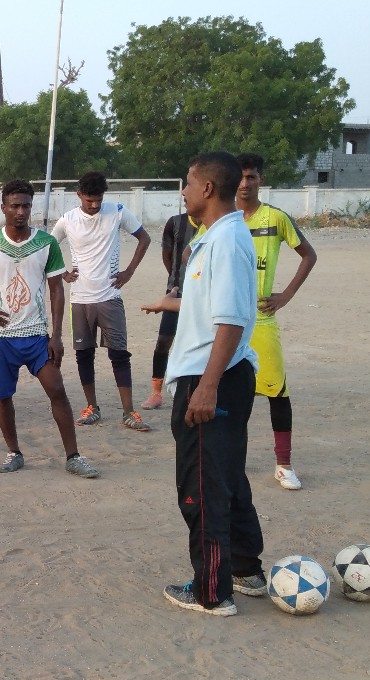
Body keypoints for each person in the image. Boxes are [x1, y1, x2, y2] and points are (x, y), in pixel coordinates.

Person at [140, 151, 264, 616]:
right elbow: (209, 303)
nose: (184, 192)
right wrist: (167, 304)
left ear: (208, 188)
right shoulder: (216, 236)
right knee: (227, 476)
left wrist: (207, 387)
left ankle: (213, 592)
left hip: (212, 377)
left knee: (203, 487)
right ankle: (246, 570)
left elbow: (231, 320)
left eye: (188, 184)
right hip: (216, 374)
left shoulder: (227, 240)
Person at [0, 180, 99, 479]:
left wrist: (56, 336)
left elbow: (57, 291)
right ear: (3, 208)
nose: (21, 211)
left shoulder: (46, 243)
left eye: (26, 205)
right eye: (15, 206)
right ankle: (14, 452)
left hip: (37, 336)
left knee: (57, 390)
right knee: (2, 397)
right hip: (1, 336)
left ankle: (73, 456)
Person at [236, 152, 318, 491]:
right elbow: (190, 255)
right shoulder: (222, 218)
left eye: (251, 177)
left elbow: (308, 254)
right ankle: (231, 461)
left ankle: (284, 464)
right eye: (240, 177)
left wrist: (286, 295)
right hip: (225, 322)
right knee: (229, 394)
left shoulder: (275, 217)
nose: (245, 183)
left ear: (261, 180)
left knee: (277, 392)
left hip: (261, 321)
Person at [51, 172, 152, 432]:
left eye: (98, 200)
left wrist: (129, 272)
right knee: (84, 355)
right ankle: (92, 407)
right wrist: (63, 273)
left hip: (110, 297)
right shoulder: (68, 219)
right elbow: (49, 246)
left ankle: (129, 412)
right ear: (79, 196)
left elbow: (144, 238)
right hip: (80, 299)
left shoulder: (117, 211)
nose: (95, 205)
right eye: (89, 200)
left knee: (119, 354)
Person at [141, 210, 199, 410]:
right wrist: (175, 279)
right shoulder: (175, 223)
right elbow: (167, 255)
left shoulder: (214, 223)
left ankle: (198, 392)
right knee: (164, 341)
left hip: (201, 295)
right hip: (175, 292)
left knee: (197, 343)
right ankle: (156, 393)